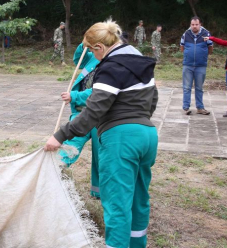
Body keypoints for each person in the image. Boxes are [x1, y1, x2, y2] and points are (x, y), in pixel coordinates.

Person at [45, 19, 158, 248]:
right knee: (138, 198)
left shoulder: (111, 67)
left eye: (91, 51)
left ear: (99, 47)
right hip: (147, 135)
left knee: (117, 203)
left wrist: (60, 135)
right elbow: (153, 99)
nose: (93, 58)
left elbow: (94, 111)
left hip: (121, 141)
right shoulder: (139, 61)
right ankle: (138, 244)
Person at [59, 42, 100, 198]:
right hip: (81, 113)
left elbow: (99, 90)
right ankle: (54, 172)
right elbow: (78, 59)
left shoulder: (112, 63)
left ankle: (99, 192)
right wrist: (83, 45)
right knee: (70, 145)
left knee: (100, 156)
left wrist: (74, 96)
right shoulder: (93, 56)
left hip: (101, 115)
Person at [180, 16, 213, 115]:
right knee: (186, 87)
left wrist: (203, 56)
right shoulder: (186, 34)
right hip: (188, 65)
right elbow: (182, 47)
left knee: (199, 87)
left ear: (200, 25)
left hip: (200, 65)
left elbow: (210, 48)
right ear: (190, 25)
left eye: (196, 24)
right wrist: (187, 55)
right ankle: (186, 107)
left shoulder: (206, 34)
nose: (194, 26)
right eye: (192, 25)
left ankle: (200, 107)